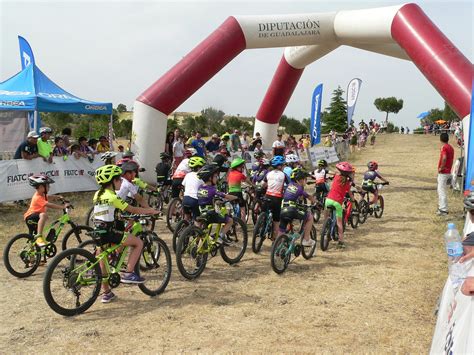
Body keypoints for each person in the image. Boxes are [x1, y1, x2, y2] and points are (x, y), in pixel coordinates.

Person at [92, 165, 159, 303]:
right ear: (112, 181)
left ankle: (106, 293)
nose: (120, 182)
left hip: (98, 231)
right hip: (110, 232)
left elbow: (109, 213)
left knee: (103, 259)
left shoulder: (98, 195)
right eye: (118, 180)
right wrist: (151, 211)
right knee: (138, 243)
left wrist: (125, 217)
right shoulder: (112, 196)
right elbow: (132, 208)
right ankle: (128, 273)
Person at [24, 175, 69, 247]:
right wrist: (62, 207)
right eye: (47, 186)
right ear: (41, 187)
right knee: (43, 215)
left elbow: (48, 197)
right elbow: (49, 205)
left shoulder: (42, 195)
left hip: (35, 217)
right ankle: (39, 236)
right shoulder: (37, 197)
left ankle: (32, 255)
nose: (49, 187)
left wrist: (57, 197)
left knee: (33, 239)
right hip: (30, 217)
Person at [197, 164, 237, 245]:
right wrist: (235, 197)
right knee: (230, 220)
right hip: (210, 214)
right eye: (215, 176)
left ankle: (199, 244)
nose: (217, 178)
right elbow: (225, 196)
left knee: (204, 231)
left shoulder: (200, 187)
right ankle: (220, 236)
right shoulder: (212, 189)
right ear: (209, 178)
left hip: (201, 211)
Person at [279, 169, 316, 246]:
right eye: (304, 179)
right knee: (309, 217)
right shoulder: (299, 188)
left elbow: (298, 198)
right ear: (300, 180)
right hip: (292, 209)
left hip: (282, 209)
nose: (305, 181)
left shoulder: (289, 185)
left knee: (282, 229)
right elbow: (309, 197)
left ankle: (278, 244)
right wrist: (315, 202)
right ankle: (306, 240)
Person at [324, 162, 355, 248]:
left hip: (328, 200)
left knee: (326, 216)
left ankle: (325, 227)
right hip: (337, 203)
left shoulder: (336, 177)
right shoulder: (347, 183)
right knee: (339, 223)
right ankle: (341, 242)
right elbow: (350, 195)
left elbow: (334, 173)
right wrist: (352, 201)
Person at [263, 156, 288, 238]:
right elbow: (289, 186)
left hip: (267, 196)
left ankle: (261, 226)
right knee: (276, 220)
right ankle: (274, 238)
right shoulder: (284, 175)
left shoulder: (268, 173)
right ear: (280, 166)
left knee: (265, 213)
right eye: (283, 165)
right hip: (277, 198)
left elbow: (264, 185)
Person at [437, 132, 455, 215]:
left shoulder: (444, 147)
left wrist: (441, 167)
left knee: (441, 190)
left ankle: (443, 209)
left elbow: (444, 158)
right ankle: (442, 207)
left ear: (441, 139)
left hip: (443, 172)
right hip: (449, 171)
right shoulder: (451, 147)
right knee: (443, 190)